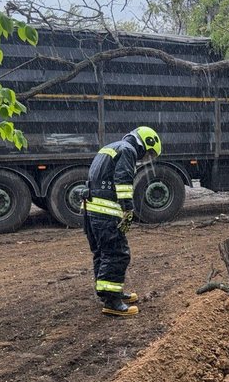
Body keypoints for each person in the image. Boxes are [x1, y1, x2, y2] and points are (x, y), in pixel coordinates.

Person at [84, 126, 162, 317]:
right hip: (106, 212)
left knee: (102, 253)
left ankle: (107, 292)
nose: (145, 158)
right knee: (117, 253)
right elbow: (123, 180)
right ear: (145, 143)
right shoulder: (128, 150)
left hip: (91, 210)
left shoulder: (111, 147)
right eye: (149, 153)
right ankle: (112, 302)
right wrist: (128, 209)